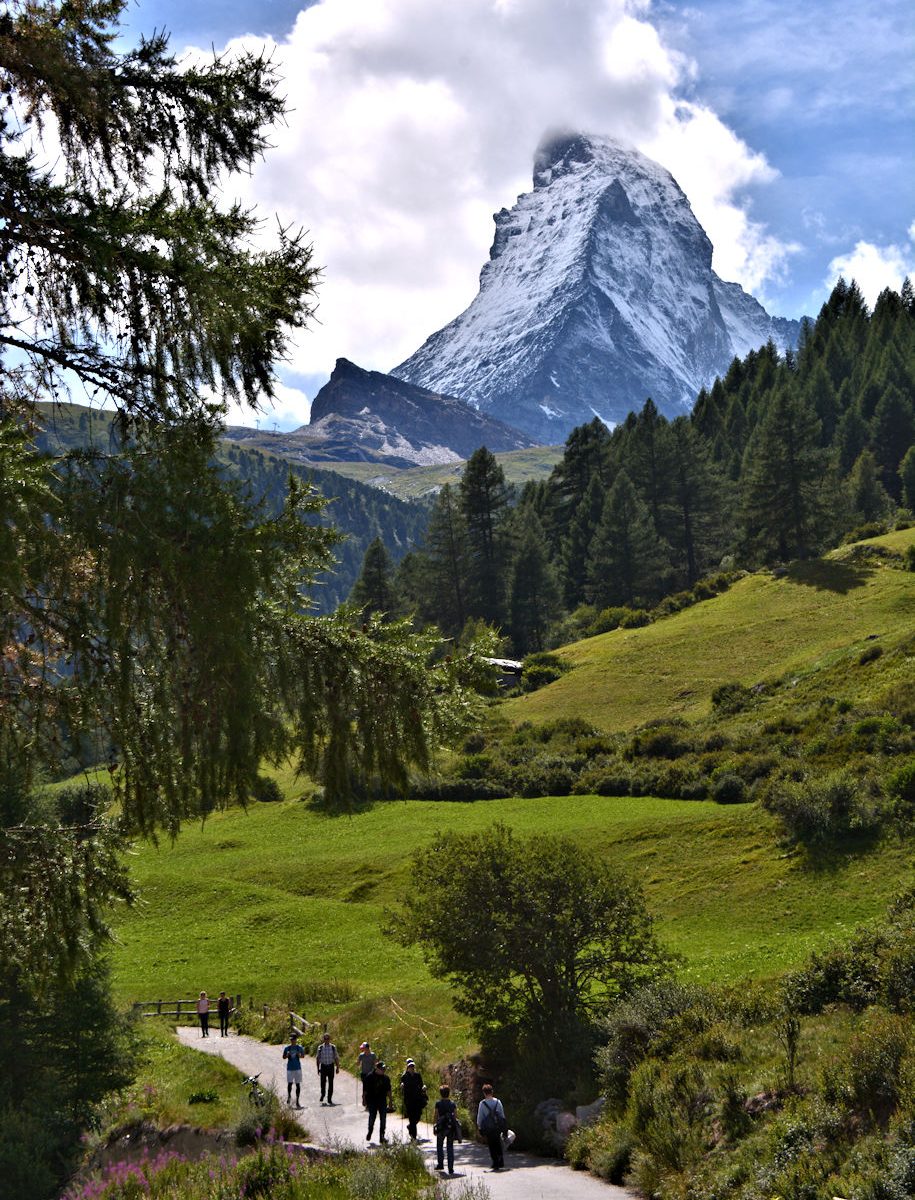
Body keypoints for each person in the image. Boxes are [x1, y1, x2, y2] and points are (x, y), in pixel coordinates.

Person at [477, 1083, 507, 1170]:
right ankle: (501, 1159)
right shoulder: (498, 1102)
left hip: (488, 1128)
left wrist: (479, 1127)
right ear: (492, 1091)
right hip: (497, 1126)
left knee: (491, 1144)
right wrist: (504, 1125)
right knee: (498, 1142)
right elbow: (502, 1115)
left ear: (484, 1093)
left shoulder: (482, 1104)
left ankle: (495, 1162)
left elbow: (480, 1117)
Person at [399, 1057, 428, 1140]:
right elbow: (401, 1085)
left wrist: (424, 1087)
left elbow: (422, 1084)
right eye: (410, 1067)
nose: (412, 1068)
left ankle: (410, 1127)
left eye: (413, 1067)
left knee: (418, 1117)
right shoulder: (404, 1076)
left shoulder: (418, 1076)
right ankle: (413, 1137)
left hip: (418, 1099)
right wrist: (402, 1086)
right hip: (409, 1100)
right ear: (407, 1068)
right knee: (412, 1118)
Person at [364, 1059, 392, 1144]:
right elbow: (365, 1090)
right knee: (372, 1118)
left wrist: (390, 1101)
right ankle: (370, 1131)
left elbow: (388, 1090)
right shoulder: (369, 1077)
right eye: (382, 1069)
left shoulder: (386, 1078)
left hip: (382, 1101)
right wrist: (364, 1100)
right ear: (377, 1069)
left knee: (383, 1119)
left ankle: (382, 1136)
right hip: (372, 1101)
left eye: (384, 1069)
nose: (384, 1070)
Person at [434, 1083, 458, 1174]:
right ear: (449, 1093)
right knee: (450, 1147)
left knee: (440, 1145)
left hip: (441, 1127)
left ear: (441, 1093)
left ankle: (440, 1164)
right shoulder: (452, 1104)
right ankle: (450, 1167)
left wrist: (435, 1125)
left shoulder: (438, 1103)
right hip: (450, 1127)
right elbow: (455, 1116)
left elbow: (436, 1115)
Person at [282, 1032, 307, 1107]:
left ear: (296, 1039)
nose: (292, 1041)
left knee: (298, 1085)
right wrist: (287, 1055)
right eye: (291, 1039)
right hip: (290, 1068)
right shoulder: (287, 1048)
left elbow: (303, 1056)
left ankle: (297, 1100)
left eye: (293, 1039)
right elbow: (283, 1057)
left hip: (297, 1068)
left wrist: (299, 1055)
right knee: (289, 1084)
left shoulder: (299, 1048)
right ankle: (289, 1096)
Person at [315, 1031, 340, 1105]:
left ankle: (329, 1098)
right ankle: (323, 1094)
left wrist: (337, 1067)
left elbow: (336, 1057)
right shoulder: (320, 1047)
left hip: (331, 1066)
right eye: (325, 1038)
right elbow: (318, 1058)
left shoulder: (333, 1047)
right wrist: (318, 1068)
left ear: (329, 1039)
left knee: (331, 1083)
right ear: (323, 1039)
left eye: (328, 1038)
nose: (326, 1040)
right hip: (323, 1066)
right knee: (323, 1082)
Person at [358, 1041, 377, 1107]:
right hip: (364, 1074)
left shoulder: (373, 1055)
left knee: (371, 1088)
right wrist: (358, 1063)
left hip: (371, 1074)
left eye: (363, 1048)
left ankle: (370, 1101)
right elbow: (358, 1063)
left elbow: (375, 1064)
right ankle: (364, 1100)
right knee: (365, 1088)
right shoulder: (361, 1055)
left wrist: (375, 1071)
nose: (362, 1049)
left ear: (367, 1048)